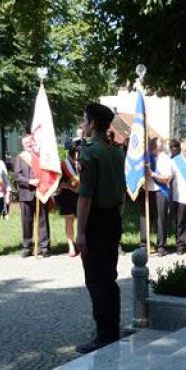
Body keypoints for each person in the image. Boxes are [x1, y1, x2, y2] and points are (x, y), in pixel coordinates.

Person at [74, 103, 126, 354]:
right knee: (110, 276)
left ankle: (104, 334)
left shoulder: (90, 152)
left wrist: (80, 231)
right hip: (113, 218)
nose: (83, 124)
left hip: (95, 221)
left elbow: (85, 196)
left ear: (92, 123)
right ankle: (112, 329)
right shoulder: (116, 151)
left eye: (85, 120)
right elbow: (122, 191)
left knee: (96, 279)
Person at [14, 134, 51, 258]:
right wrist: (29, 181)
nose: (29, 145)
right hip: (26, 193)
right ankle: (27, 246)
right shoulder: (19, 158)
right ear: (23, 145)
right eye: (26, 143)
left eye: (30, 142)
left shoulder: (40, 157)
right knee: (26, 221)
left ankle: (44, 246)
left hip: (41, 192)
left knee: (43, 221)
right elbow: (18, 177)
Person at [139, 136, 173, 256]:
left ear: (159, 147)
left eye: (154, 145)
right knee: (145, 218)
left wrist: (152, 173)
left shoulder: (165, 159)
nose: (151, 146)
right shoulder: (145, 158)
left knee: (161, 219)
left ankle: (161, 246)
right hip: (146, 191)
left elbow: (166, 178)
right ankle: (144, 244)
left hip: (159, 191)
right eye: (151, 144)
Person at [57, 144, 82, 256]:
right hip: (68, 196)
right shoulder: (64, 165)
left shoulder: (84, 164)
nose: (78, 158)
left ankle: (81, 244)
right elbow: (59, 183)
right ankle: (71, 245)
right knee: (69, 220)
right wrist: (70, 187)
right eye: (77, 155)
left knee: (82, 221)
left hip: (81, 196)